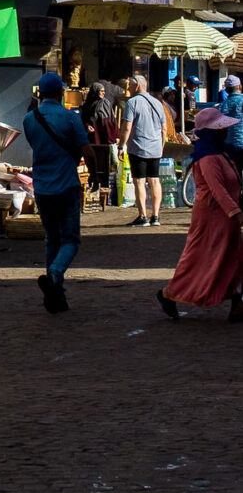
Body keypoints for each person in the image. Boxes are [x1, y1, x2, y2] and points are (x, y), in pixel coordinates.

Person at [158, 107, 243, 321]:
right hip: (214, 217)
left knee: (234, 258)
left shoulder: (224, 151)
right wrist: (235, 211)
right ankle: (171, 293)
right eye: (220, 129)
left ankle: (236, 302)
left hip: (227, 215)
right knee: (200, 260)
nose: (224, 132)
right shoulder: (208, 157)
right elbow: (217, 188)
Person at [22, 69, 86, 314]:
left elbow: (35, 144)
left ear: (40, 94)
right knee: (70, 239)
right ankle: (56, 273)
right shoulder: (70, 118)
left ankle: (55, 290)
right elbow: (84, 148)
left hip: (42, 186)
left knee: (52, 238)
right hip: (66, 186)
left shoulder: (30, 119)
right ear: (61, 93)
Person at [121, 73, 168, 224]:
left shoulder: (132, 102)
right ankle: (155, 216)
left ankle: (142, 216)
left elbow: (127, 126)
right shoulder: (157, 103)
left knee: (139, 182)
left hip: (138, 147)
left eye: (131, 85)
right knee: (154, 180)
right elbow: (164, 128)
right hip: (155, 148)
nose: (129, 88)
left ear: (138, 86)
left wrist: (122, 145)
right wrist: (160, 146)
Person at [80, 78, 121, 208]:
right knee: (93, 165)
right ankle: (94, 188)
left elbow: (112, 120)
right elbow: (84, 120)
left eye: (104, 91)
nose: (103, 93)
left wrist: (116, 136)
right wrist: (87, 126)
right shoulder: (87, 106)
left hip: (105, 139)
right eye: (101, 91)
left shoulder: (106, 103)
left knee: (104, 167)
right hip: (93, 139)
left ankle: (104, 194)